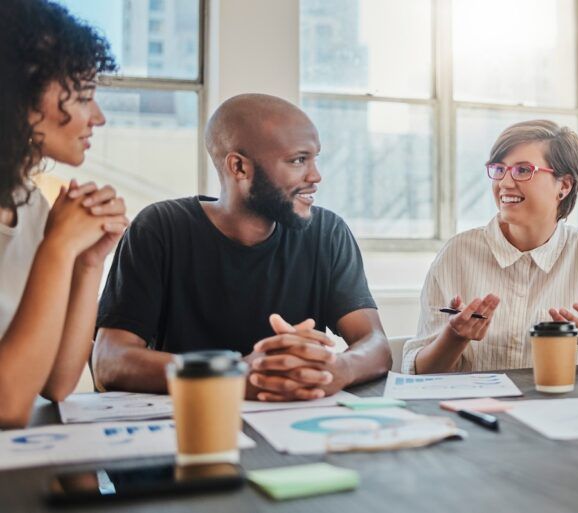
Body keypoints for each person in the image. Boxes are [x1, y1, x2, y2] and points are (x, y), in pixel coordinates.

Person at [92, 93, 391, 401]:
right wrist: (232, 374)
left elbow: (375, 343)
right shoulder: (160, 228)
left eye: (315, 159)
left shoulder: (327, 233)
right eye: (298, 160)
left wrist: (337, 368)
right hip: (192, 426)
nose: (315, 176)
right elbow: (109, 361)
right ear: (239, 167)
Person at [403, 120, 578, 373]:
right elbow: (419, 372)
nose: (505, 182)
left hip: (567, 417)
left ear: (564, 185)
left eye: (523, 170)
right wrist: (455, 337)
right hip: (478, 417)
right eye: (499, 169)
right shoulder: (457, 254)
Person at [0, 0, 128, 427]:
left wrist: (88, 261)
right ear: (20, 89)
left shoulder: (29, 202)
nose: (98, 117)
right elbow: (7, 405)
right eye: (85, 93)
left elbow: (57, 382)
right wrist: (58, 247)